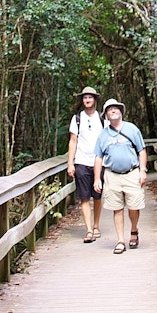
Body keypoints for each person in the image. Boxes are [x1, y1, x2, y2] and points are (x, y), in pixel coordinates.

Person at [93, 98, 146, 254]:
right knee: (117, 208)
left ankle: (134, 230)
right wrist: (97, 178)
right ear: (106, 115)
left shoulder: (132, 129)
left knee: (134, 206)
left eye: (115, 108)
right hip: (112, 175)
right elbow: (98, 157)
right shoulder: (103, 135)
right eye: (109, 110)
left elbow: (141, 150)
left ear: (121, 112)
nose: (113, 111)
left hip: (132, 173)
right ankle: (121, 241)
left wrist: (143, 170)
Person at [67, 86, 105, 243]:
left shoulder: (102, 118)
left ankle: (96, 225)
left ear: (95, 99)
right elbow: (73, 141)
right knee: (84, 197)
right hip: (82, 161)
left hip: (99, 162)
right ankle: (89, 230)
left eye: (90, 97)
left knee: (97, 196)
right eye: (85, 97)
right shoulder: (77, 118)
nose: (87, 100)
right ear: (82, 100)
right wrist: (70, 163)